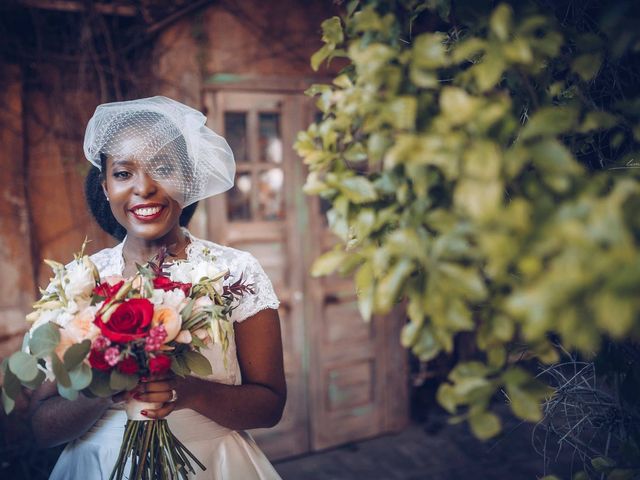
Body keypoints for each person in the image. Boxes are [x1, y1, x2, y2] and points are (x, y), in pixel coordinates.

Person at [28, 96, 286, 479]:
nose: (143, 187)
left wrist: (190, 391)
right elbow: (40, 427)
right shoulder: (78, 283)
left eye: (163, 169)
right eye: (123, 173)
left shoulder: (235, 273)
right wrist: (102, 391)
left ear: (189, 179)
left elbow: (270, 406)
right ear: (104, 185)